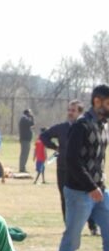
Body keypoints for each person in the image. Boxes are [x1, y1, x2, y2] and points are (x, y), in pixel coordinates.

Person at [55, 84, 109, 251]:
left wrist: (99, 187)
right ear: (97, 101)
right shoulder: (81, 125)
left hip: (100, 192)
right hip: (79, 192)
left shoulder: (103, 125)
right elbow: (72, 161)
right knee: (72, 238)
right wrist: (90, 187)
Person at [40, 100, 97, 234]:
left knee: (88, 196)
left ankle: (93, 226)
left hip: (82, 169)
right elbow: (44, 136)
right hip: (63, 168)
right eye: (69, 110)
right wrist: (55, 147)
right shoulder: (62, 128)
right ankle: (69, 227)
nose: (70, 113)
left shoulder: (86, 127)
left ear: (80, 112)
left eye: (73, 110)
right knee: (65, 197)